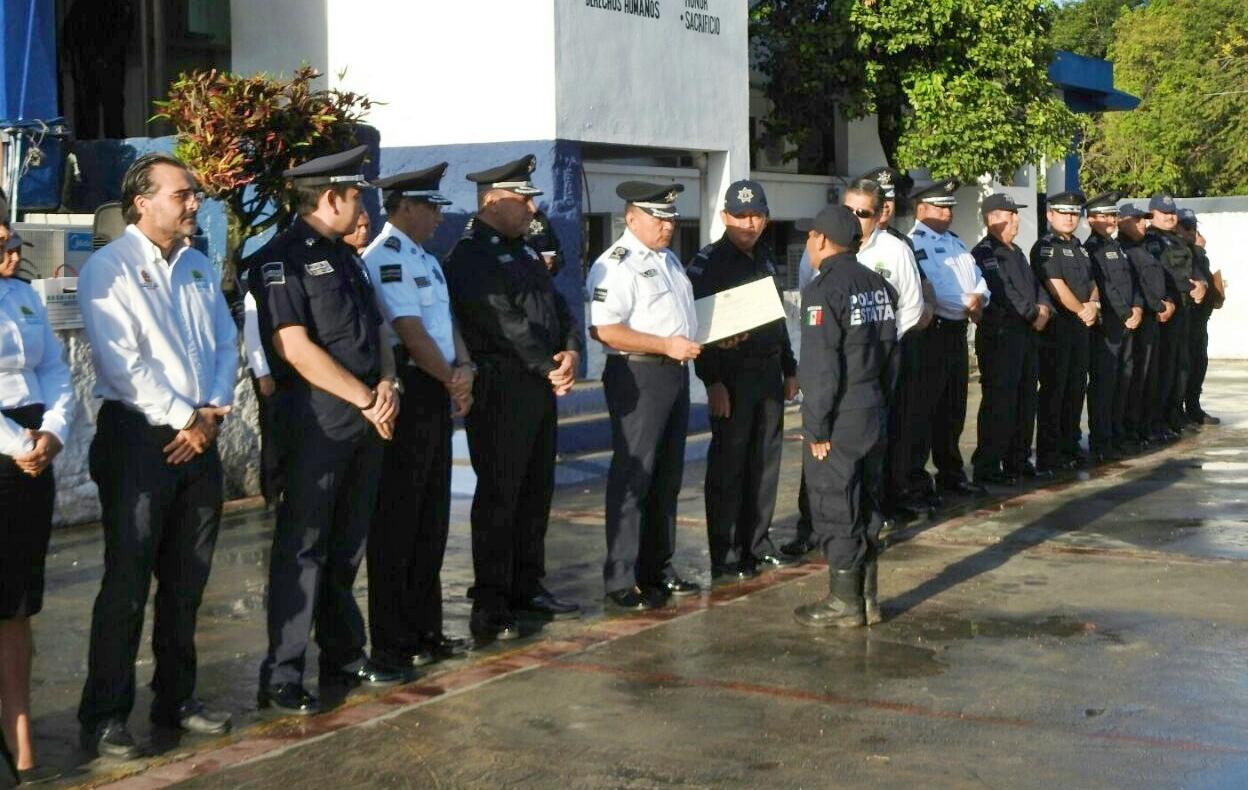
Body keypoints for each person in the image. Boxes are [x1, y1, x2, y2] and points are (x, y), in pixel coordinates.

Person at [77, 154, 237, 757]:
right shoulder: (109, 269)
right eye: (182, 194)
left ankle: (176, 696)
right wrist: (184, 420)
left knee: (187, 579)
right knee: (127, 580)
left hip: (202, 432)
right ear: (142, 203)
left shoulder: (197, 265)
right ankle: (105, 714)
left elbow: (224, 339)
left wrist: (214, 411)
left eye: (195, 194)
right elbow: (124, 363)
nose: (194, 203)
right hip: (141, 438)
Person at [252, 145, 404, 716]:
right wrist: (366, 397)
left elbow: (378, 333)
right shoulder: (280, 259)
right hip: (319, 423)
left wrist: (388, 384)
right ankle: (282, 672)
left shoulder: (349, 258)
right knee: (304, 548)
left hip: (366, 417)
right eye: (356, 192)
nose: (361, 202)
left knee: (346, 546)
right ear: (332, 197)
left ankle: (342, 654)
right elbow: (294, 347)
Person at [445, 155, 583, 641]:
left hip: (538, 387)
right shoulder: (470, 257)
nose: (530, 207)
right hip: (502, 389)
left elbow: (557, 305)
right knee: (501, 496)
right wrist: (548, 367)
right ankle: (492, 602)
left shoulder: (523, 249)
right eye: (522, 198)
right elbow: (501, 321)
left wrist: (569, 350)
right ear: (491, 201)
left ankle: (528, 586)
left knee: (535, 492)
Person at [363, 164, 471, 670]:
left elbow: (444, 322)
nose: (437, 217)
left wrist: (464, 367)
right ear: (405, 207)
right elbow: (409, 329)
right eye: (430, 207)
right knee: (399, 523)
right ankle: (392, 639)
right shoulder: (384, 258)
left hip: (438, 386)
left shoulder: (425, 258)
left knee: (432, 521)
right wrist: (451, 379)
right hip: (411, 391)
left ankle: (427, 629)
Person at [787, 176, 929, 556]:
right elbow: (880, 349)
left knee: (848, 487)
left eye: (861, 212)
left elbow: (909, 310)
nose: (853, 218)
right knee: (844, 483)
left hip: (855, 392)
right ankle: (851, 575)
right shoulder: (848, 272)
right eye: (849, 211)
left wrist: (815, 427)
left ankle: (847, 590)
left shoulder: (887, 255)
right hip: (858, 388)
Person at [587, 181, 703, 611]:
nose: (667, 225)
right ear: (631, 218)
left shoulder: (668, 259)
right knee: (634, 477)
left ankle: (658, 568)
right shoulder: (615, 265)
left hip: (673, 374)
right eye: (658, 217)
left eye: (670, 217)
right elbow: (605, 330)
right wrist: (665, 346)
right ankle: (621, 577)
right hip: (637, 375)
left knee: (667, 477)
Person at [686, 180, 798, 582]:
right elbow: (699, 326)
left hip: (767, 372)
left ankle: (757, 543)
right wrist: (711, 381)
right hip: (730, 377)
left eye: (757, 216)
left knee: (766, 462)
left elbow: (776, 318)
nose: (750, 224)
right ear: (724, 217)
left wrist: (790, 367)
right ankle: (727, 551)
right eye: (741, 216)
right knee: (729, 466)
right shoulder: (709, 262)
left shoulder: (765, 258)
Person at [792, 204, 898, 628]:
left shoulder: (824, 290)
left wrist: (815, 427)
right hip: (872, 408)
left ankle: (844, 602)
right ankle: (868, 599)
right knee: (868, 498)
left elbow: (821, 368)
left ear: (819, 241)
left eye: (809, 237)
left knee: (835, 501)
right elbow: (891, 352)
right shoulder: (878, 285)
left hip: (840, 414)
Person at [0, 227, 72, 784]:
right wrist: (19, 444)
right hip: (11, 447)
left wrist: (52, 432)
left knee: (16, 603)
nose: (12, 248)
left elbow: (52, 369)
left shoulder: (23, 295)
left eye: (12, 236)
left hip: (30, 455)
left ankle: (18, 731)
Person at [908, 179, 989, 497]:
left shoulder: (955, 243)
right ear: (922, 209)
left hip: (958, 332)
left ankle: (951, 474)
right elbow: (933, 292)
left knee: (954, 409)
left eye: (950, 208)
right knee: (925, 409)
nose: (948, 213)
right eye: (941, 207)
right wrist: (967, 304)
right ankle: (916, 479)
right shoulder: (915, 244)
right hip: (933, 333)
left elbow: (978, 280)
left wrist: (980, 299)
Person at [970, 193, 1053, 486]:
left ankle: (1017, 459)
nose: (1017, 220)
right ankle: (989, 464)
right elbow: (1003, 292)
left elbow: (1035, 285)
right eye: (1011, 214)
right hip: (1001, 336)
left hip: (1026, 336)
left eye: (1016, 214)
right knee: (1000, 402)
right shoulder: (985, 254)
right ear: (993, 218)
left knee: (1025, 398)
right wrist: (1033, 314)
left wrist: (1044, 308)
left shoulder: (1016, 251)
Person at [1030, 191, 1096, 473]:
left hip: (1082, 326)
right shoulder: (1046, 247)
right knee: (1054, 391)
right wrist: (1082, 309)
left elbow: (1091, 281)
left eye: (1074, 213)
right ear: (1049, 215)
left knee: (1075, 388)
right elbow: (1055, 285)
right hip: (1059, 328)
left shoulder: (1079, 247)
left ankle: (1070, 443)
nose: (1070, 218)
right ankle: (1050, 451)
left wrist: (1094, 303)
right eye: (1063, 212)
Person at [1083, 192, 1143, 462]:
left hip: (1128, 322)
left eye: (1112, 215)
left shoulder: (1116, 246)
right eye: (1103, 216)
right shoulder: (1092, 249)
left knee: (1124, 380)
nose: (1109, 220)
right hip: (1109, 325)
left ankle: (1117, 434)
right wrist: (1124, 312)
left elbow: (1132, 282)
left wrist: (1138, 308)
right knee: (1105, 384)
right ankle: (1102, 439)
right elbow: (1104, 286)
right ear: (1091, 219)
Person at [1144, 194, 1208, 437]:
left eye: (1172, 213)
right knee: (1162, 369)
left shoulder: (1178, 241)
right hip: (1166, 314)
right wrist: (1192, 287)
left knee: (1180, 366)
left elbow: (1195, 270)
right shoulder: (1151, 241)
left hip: (1185, 312)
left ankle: (1174, 414)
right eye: (1164, 212)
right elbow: (1165, 273)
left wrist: (1201, 284)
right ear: (1152, 213)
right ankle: (1158, 419)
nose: (1170, 217)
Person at [1117, 204, 1177, 448]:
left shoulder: (1143, 247)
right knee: (1135, 378)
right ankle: (1132, 428)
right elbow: (1136, 285)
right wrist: (1158, 306)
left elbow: (1160, 281)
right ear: (1122, 222)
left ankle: (1146, 425)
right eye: (1138, 219)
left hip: (1154, 318)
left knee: (1150, 376)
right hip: (1140, 319)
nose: (1143, 223)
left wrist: (1169, 302)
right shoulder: (1123, 250)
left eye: (1144, 219)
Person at [1177, 208, 1219, 426]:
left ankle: (1193, 406)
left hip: (1200, 319)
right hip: (1186, 317)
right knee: (1182, 366)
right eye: (1187, 227)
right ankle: (1179, 411)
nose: (1192, 232)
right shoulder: (1180, 252)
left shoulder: (1197, 252)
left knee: (1198, 363)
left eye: (1194, 227)